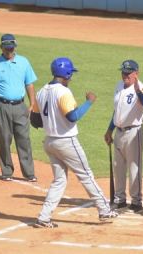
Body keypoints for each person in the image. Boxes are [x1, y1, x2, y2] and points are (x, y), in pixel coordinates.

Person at [30, 57, 118, 227]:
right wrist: (89, 102)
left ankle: (44, 217)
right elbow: (73, 117)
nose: (71, 78)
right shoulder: (63, 92)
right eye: (71, 74)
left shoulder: (41, 92)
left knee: (59, 180)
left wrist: (51, 121)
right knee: (86, 175)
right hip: (66, 141)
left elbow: (35, 121)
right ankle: (104, 210)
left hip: (49, 142)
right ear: (67, 74)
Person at [0, 33, 37, 182]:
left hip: (20, 106)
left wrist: (32, 104)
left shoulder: (24, 62)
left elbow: (29, 84)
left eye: (11, 48)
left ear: (15, 47)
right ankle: (7, 171)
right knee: (4, 139)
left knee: (24, 140)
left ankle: (29, 173)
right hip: (2, 106)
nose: (9, 51)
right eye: (7, 49)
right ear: (1, 47)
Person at [104, 60, 143, 214]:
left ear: (136, 73)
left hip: (134, 133)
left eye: (128, 73)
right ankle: (120, 199)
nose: (125, 75)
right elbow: (116, 111)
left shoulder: (141, 87)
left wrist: (138, 90)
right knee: (119, 167)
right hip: (119, 132)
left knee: (134, 167)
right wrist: (109, 130)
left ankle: (136, 201)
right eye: (123, 72)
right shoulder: (119, 86)